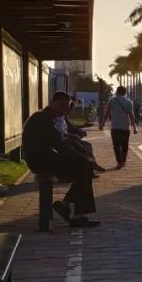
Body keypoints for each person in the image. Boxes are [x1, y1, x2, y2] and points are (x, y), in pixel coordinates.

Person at [23, 92, 100, 227]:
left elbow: (60, 142)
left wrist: (82, 156)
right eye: (61, 105)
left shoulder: (48, 117)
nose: (63, 109)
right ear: (51, 102)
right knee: (85, 168)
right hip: (40, 161)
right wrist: (85, 159)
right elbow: (60, 145)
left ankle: (68, 207)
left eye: (66, 106)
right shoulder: (43, 119)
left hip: (46, 156)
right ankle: (73, 212)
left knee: (84, 169)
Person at [101, 85, 138, 168]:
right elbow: (131, 115)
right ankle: (123, 161)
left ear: (117, 91)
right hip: (125, 127)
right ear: (125, 92)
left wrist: (103, 123)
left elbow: (107, 113)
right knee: (125, 144)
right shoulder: (129, 102)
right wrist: (134, 127)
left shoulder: (111, 100)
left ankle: (119, 162)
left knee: (116, 145)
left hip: (115, 127)